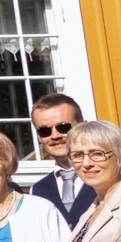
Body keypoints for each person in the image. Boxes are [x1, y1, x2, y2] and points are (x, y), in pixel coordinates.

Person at [27, 94, 96, 225]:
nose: (55, 136)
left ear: (83, 126)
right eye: (45, 131)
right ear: (39, 137)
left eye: (63, 127)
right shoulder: (37, 190)